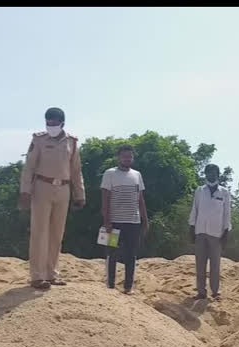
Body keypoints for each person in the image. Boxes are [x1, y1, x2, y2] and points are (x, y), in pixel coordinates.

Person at [18, 107, 86, 290]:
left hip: (63, 188)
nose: (51, 126)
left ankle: (52, 274)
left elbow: (76, 170)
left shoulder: (71, 141)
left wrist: (80, 194)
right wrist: (25, 191)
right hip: (42, 187)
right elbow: (29, 167)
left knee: (57, 233)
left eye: (54, 122)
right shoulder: (39, 140)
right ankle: (37, 276)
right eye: (48, 122)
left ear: (62, 122)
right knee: (40, 232)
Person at [101, 144, 149, 294]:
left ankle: (128, 287)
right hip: (114, 221)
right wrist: (106, 221)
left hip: (133, 221)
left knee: (131, 254)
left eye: (130, 156)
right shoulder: (109, 174)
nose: (127, 159)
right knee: (111, 253)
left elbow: (140, 199)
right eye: (124, 156)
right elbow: (105, 199)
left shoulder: (137, 175)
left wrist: (145, 219)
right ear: (119, 157)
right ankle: (110, 285)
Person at [188, 164, 232, 300]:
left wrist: (226, 232)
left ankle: (215, 291)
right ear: (205, 174)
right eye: (208, 172)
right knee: (200, 263)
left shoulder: (224, 192)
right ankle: (201, 292)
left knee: (215, 264)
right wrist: (191, 228)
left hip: (217, 233)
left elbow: (227, 213)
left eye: (214, 172)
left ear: (218, 174)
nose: (211, 175)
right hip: (200, 231)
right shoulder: (200, 191)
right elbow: (195, 209)